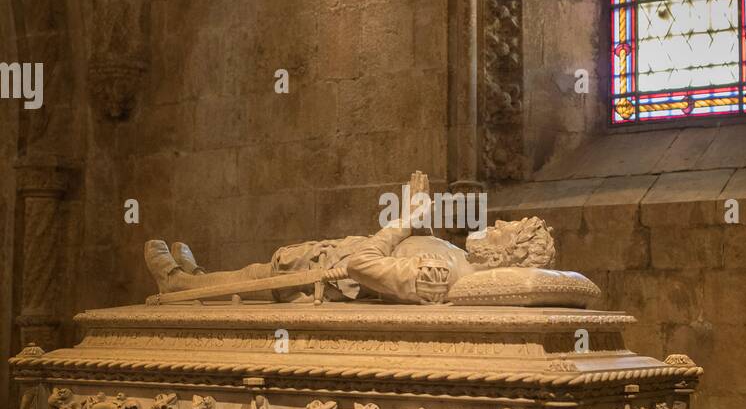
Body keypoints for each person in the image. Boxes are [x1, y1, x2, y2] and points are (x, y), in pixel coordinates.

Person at [144, 171, 555, 305]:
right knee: (254, 273)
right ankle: (195, 279)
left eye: (505, 232)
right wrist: (419, 212)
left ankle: (180, 286)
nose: (495, 226)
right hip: (338, 262)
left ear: (505, 258)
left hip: (335, 278)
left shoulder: (443, 274)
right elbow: (412, 248)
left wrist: (405, 217)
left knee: (258, 278)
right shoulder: (451, 256)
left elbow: (365, 265)